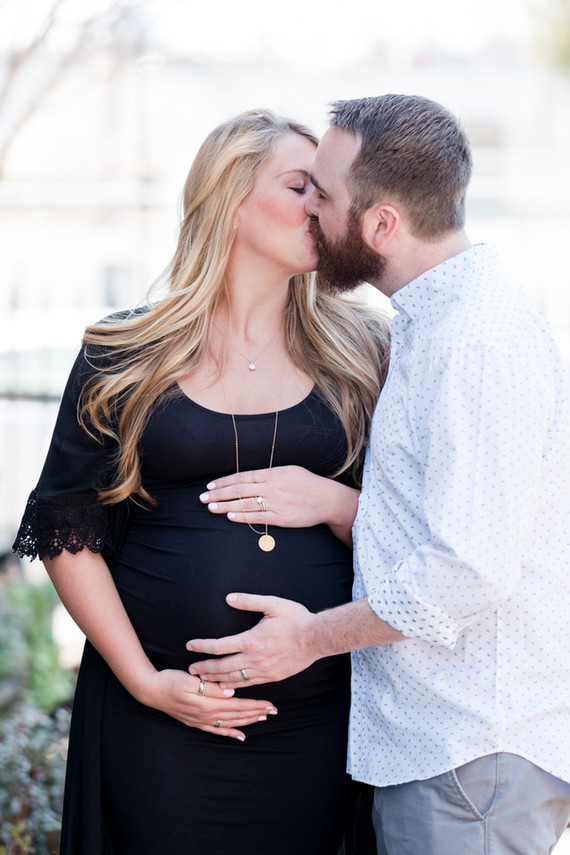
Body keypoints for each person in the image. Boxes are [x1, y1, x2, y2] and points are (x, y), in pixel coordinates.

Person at [186, 94, 570, 855]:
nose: (311, 214)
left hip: (470, 756)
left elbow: (464, 570)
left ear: (382, 225)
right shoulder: (434, 324)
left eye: (322, 196)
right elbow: (469, 521)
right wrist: (344, 505)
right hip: (451, 753)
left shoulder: (475, 344)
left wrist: (306, 641)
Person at [12, 108, 390, 855]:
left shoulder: (366, 350)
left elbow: (423, 524)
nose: (323, 207)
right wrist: (145, 680)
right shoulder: (125, 351)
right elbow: (66, 529)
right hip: (159, 722)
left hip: (316, 722)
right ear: (229, 192)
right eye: (301, 186)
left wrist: (337, 502)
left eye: (329, 191)